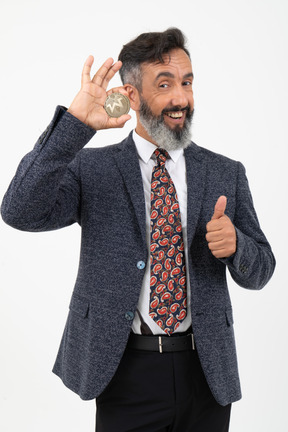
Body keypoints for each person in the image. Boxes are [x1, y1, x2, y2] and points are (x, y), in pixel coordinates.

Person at [1, 28, 275, 432]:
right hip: (125, 370)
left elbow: (263, 268)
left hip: (207, 372)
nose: (181, 98)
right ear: (131, 95)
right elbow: (19, 210)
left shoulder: (225, 173)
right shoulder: (92, 169)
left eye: (187, 82)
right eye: (164, 85)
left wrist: (238, 248)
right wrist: (75, 124)